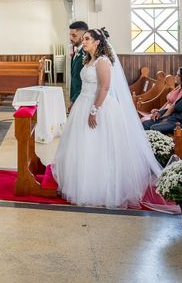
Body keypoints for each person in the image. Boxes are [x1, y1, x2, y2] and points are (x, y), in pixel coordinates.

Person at [53, 28, 162, 208]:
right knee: (81, 146)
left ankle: (101, 187)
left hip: (99, 106)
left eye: (87, 39)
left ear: (97, 42)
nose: (84, 41)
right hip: (83, 103)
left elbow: (104, 87)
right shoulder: (89, 60)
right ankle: (82, 180)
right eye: (85, 39)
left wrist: (94, 111)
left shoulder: (103, 61)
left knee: (99, 146)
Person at [142, 67, 182, 134]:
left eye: (178, 75)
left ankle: (158, 143)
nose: (175, 77)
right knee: (145, 124)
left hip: (178, 122)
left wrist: (165, 118)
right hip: (170, 116)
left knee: (153, 127)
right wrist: (159, 112)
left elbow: (174, 107)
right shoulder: (179, 88)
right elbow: (173, 105)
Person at [68, 20, 88, 110]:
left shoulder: (86, 55)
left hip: (82, 98)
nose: (71, 38)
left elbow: (84, 81)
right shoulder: (77, 52)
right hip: (75, 96)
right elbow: (74, 77)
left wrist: (75, 100)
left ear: (83, 36)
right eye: (70, 35)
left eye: (74, 35)